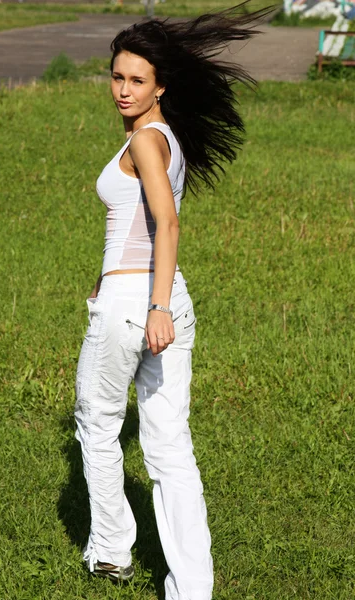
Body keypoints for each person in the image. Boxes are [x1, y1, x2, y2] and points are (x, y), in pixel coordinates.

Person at [74, 6, 269, 599]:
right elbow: (136, 224)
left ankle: (111, 552)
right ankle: (193, 588)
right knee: (170, 450)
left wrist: (152, 305)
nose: (123, 90)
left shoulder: (148, 142)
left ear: (160, 84)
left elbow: (166, 221)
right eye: (117, 77)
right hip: (161, 297)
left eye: (136, 80)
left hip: (144, 304)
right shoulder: (163, 136)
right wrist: (122, 287)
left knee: (98, 424)